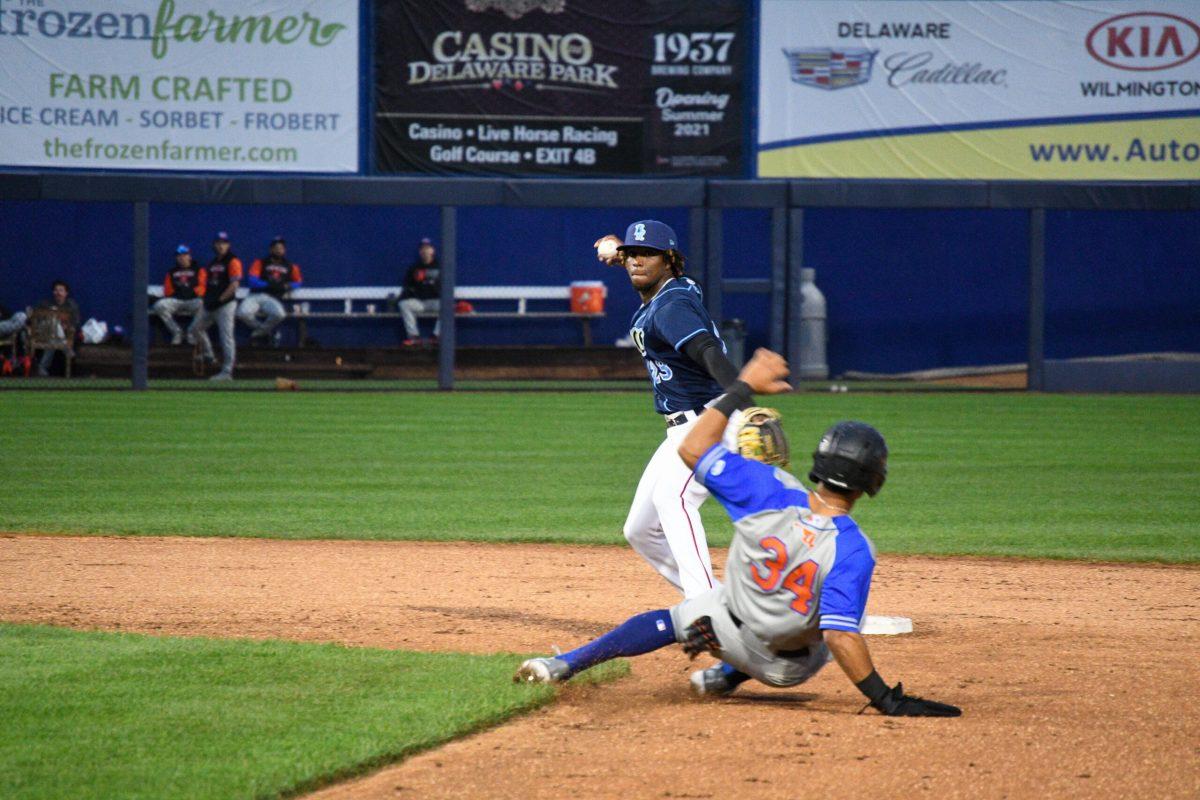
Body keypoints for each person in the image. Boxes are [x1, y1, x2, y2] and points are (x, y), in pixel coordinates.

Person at [515, 349, 962, 718]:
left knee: (673, 618)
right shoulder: (855, 548)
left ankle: (562, 663)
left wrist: (742, 385)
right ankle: (721, 678)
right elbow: (841, 638)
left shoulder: (767, 489)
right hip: (788, 671)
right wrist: (886, 699)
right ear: (872, 483)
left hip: (722, 630)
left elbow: (692, 446)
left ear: (818, 464)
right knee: (837, 619)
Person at [592, 220, 743, 599]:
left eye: (647, 254)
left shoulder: (672, 307)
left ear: (670, 259)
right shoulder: (677, 289)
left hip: (710, 420)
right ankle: (720, 600)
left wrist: (745, 403)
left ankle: (707, 606)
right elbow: (641, 268)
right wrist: (617, 251)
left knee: (673, 499)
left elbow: (707, 351)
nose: (636, 261)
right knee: (640, 530)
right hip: (683, 427)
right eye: (632, 255)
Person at [193, 231, 242, 381]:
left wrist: (220, 299)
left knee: (226, 337)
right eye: (219, 243)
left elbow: (234, 285)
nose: (221, 246)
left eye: (224, 243)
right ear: (215, 245)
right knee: (195, 328)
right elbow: (209, 284)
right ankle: (209, 355)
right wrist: (208, 299)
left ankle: (227, 372)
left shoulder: (233, 261)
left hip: (226, 304)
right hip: (210, 303)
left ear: (228, 245)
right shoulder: (213, 263)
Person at [239, 235, 302, 344]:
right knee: (242, 313)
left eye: (281, 248)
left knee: (280, 314)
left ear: (284, 250)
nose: (279, 250)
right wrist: (268, 284)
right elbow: (252, 280)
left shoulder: (290, 266)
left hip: (273, 298)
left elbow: (298, 282)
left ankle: (258, 333)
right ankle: (267, 332)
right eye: (276, 248)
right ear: (271, 249)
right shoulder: (260, 262)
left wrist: (289, 286)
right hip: (256, 295)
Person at [150, 245, 206, 345]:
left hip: (193, 299)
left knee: (205, 305)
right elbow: (167, 291)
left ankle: (191, 332)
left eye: (185, 255)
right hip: (176, 300)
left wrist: (193, 291)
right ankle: (177, 332)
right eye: (179, 256)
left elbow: (203, 286)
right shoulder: (172, 272)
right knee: (159, 306)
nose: (182, 258)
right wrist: (178, 292)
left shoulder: (199, 270)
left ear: (189, 256)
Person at [33, 279, 81, 377]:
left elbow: (75, 322)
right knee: (53, 319)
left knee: (53, 340)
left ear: (66, 293)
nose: (58, 293)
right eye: (56, 290)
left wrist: (66, 326)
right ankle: (67, 350)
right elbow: (36, 319)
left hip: (61, 335)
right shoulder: (45, 304)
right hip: (44, 332)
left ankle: (42, 368)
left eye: (61, 290)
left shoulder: (71, 306)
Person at [399, 237, 440, 346]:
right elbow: (407, 286)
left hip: (435, 301)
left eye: (427, 248)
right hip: (420, 302)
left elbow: (447, 285)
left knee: (448, 306)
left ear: (432, 250)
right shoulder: (414, 268)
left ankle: (436, 337)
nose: (425, 251)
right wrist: (410, 293)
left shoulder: (441, 266)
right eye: (422, 248)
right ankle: (414, 337)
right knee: (404, 304)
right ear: (419, 251)